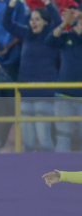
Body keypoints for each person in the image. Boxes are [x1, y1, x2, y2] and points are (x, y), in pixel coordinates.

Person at [2, 0, 61, 152]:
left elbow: (59, 22)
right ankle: (31, 173)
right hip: (25, 93)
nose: (33, 22)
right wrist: (12, 3)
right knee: (28, 141)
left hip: (44, 94)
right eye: (31, 19)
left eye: (37, 19)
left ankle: (52, 172)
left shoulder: (52, 34)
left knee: (43, 138)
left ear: (46, 22)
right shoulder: (26, 33)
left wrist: (47, 3)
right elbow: (7, 23)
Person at [46, 6, 82, 152]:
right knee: (63, 137)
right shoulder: (66, 37)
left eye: (79, 18)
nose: (76, 20)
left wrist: (72, 22)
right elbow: (49, 40)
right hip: (64, 95)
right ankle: (62, 173)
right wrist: (63, 24)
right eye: (74, 17)